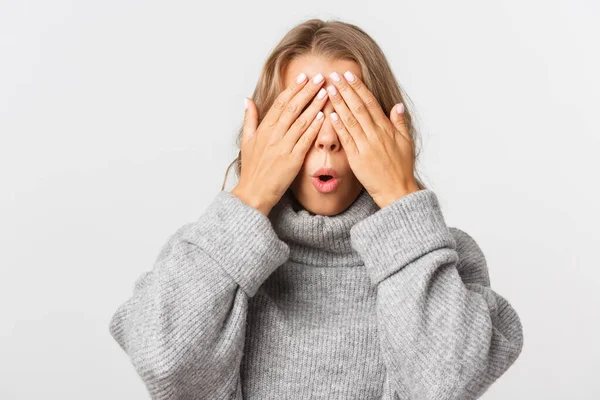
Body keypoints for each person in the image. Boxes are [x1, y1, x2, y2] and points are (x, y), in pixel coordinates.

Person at [108, 18, 524, 400]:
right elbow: (165, 365)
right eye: (303, 115)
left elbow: (445, 384)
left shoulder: (438, 257)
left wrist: (400, 195)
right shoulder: (209, 255)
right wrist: (250, 194)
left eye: (348, 114)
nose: (326, 139)